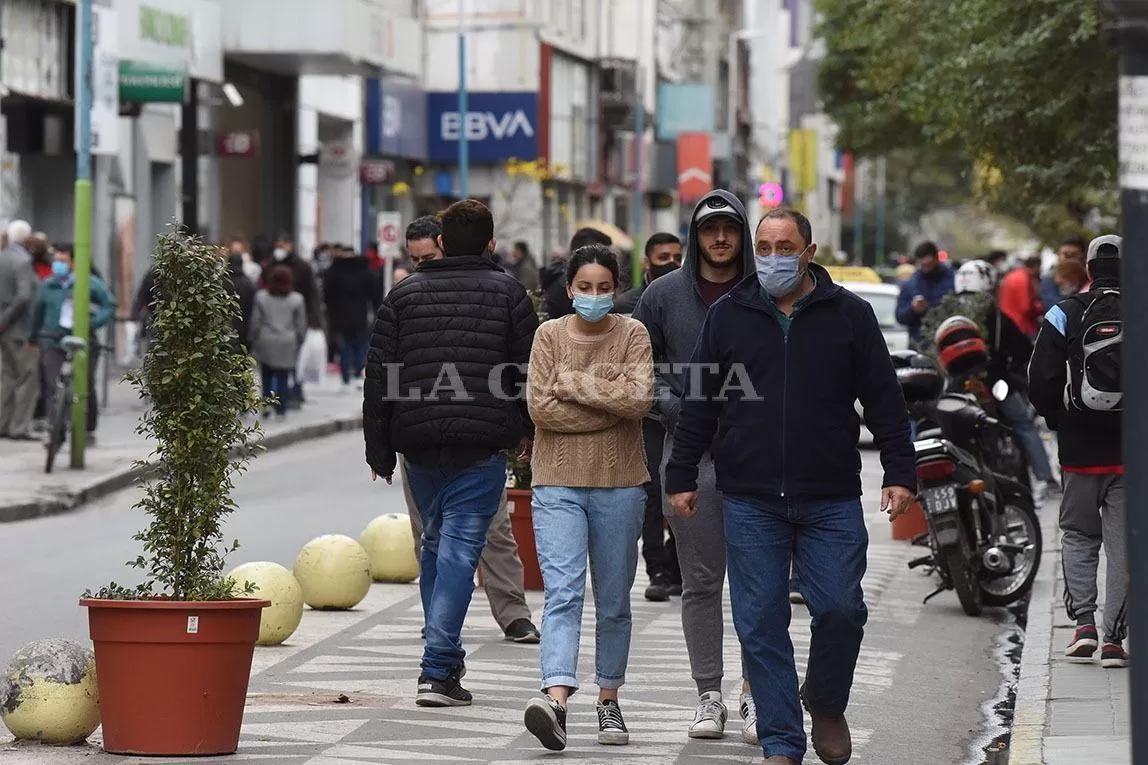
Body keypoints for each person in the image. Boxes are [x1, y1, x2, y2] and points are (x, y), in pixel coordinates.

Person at [665, 208, 916, 765]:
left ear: (809, 250)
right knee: (760, 624)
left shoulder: (849, 314)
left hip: (829, 496)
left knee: (841, 610)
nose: (773, 255)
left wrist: (900, 470)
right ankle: (781, 743)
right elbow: (700, 401)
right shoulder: (730, 315)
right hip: (750, 497)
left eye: (785, 245)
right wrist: (680, 476)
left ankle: (825, 701)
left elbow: (883, 399)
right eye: (765, 245)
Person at [363, 199, 537, 708]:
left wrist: (379, 452)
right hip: (481, 443)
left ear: (440, 243)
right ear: (490, 245)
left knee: (438, 547)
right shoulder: (509, 294)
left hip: (418, 443)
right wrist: (525, 430)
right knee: (459, 548)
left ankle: (446, 662)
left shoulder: (404, 295)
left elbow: (379, 379)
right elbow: (525, 372)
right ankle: (437, 669)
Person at [632, 190, 759, 743]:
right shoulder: (662, 296)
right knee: (701, 582)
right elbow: (638, 362)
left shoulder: (767, 291)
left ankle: (758, 694)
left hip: (761, 457)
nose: (721, 238)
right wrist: (674, 403)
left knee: (761, 583)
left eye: (731, 227)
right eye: (710, 229)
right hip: (689, 454)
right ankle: (709, 696)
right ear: (695, 236)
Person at [522, 243, 653, 751]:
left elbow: (640, 400)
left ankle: (609, 699)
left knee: (615, 601)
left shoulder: (634, 333)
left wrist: (572, 383)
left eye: (603, 288)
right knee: (563, 593)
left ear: (615, 288)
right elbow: (540, 409)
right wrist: (609, 403)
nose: (594, 297)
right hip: (556, 482)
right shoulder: (547, 335)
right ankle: (556, 699)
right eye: (584, 288)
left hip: (621, 484)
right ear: (569, 289)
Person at [394, 215, 542, 646]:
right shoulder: (406, 295)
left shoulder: (493, 291)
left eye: (430, 256)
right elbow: (384, 370)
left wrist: (519, 423)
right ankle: (437, 622)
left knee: (493, 528)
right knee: (428, 535)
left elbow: (520, 367)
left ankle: (512, 613)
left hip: (478, 432)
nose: (423, 265)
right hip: (422, 434)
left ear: (447, 245)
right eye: (415, 259)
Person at [1028, 234, 1127, 669]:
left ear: (1088, 271)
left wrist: (1058, 420)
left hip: (1079, 451)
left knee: (1079, 536)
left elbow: (1039, 380)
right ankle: (1113, 642)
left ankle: (1083, 625)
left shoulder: (1064, 312)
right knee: (1124, 548)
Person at [923, 260, 1059, 498]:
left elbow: (928, 349)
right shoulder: (996, 317)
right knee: (1024, 425)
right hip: (996, 383)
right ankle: (1047, 480)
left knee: (934, 424)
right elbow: (1023, 350)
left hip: (955, 388)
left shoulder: (942, 314)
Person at [27, 243, 116, 435]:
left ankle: (87, 426)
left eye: (63, 261)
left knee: (85, 383)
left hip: (83, 341)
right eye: (56, 261)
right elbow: (38, 313)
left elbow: (109, 305)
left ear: (74, 262)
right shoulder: (48, 286)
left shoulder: (90, 283)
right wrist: (32, 336)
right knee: (52, 384)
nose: (58, 265)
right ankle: (55, 427)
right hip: (54, 340)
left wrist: (91, 323)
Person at [249, 264, 307, 419]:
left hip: (266, 339)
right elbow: (301, 325)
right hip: (287, 341)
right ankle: (281, 409)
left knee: (266, 374)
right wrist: (299, 340)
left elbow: (256, 321)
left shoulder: (261, 297)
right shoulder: (297, 299)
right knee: (283, 375)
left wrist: (252, 338)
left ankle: (266, 405)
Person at [0, 220, 40, 440]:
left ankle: (3, 423)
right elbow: (24, 296)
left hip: (4, 330)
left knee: (7, 376)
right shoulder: (23, 261)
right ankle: (19, 427)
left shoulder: (2, 257)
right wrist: (6, 320)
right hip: (19, 328)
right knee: (27, 377)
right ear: (26, 239)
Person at [322, 246, 377, 388]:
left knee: (345, 346)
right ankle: (358, 373)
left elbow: (326, 295)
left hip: (340, 316)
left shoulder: (333, 272)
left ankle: (346, 377)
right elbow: (374, 295)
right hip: (360, 314)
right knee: (360, 345)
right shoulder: (365, 272)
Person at [540, 228, 612, 319]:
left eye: (605, 288)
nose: (595, 294)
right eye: (584, 288)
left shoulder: (558, 279)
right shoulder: (561, 288)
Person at [895, 241, 955, 346]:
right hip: (919, 344)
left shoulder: (953, 280)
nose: (926, 268)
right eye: (923, 264)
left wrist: (930, 307)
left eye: (929, 264)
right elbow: (900, 316)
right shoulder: (910, 284)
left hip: (946, 341)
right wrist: (913, 309)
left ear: (936, 259)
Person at [614, 232, 683, 316]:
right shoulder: (626, 304)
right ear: (646, 263)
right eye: (663, 258)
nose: (672, 262)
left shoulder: (690, 299)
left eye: (678, 258)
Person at [999, 255, 1045, 339]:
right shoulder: (1023, 280)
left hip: (1008, 322)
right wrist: (1040, 309)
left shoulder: (1012, 275)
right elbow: (1025, 307)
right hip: (1023, 326)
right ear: (1036, 266)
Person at [1040, 237, 1086, 309]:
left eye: (1073, 255)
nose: (1069, 259)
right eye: (1066, 254)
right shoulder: (1049, 279)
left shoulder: (1089, 279)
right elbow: (1054, 307)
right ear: (1058, 256)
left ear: (1083, 256)